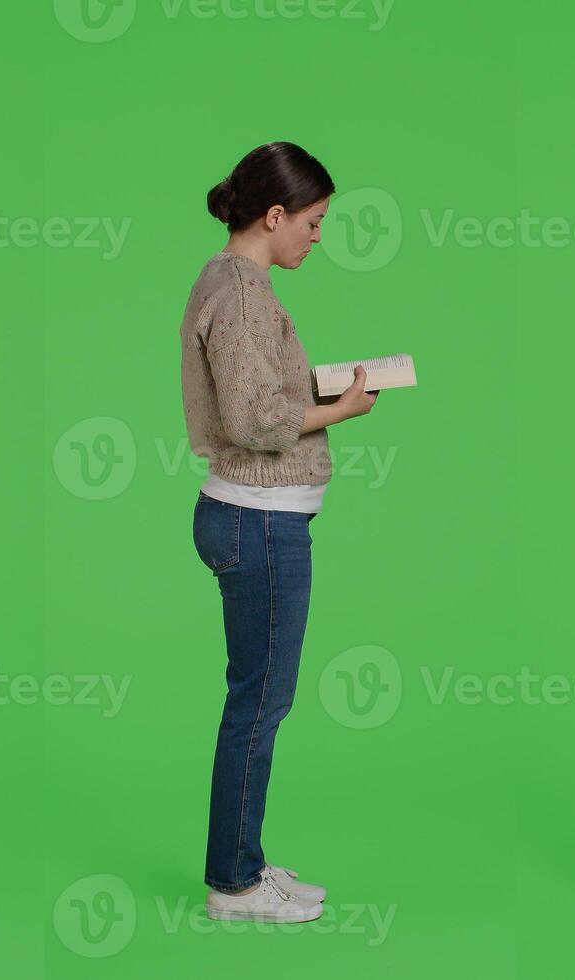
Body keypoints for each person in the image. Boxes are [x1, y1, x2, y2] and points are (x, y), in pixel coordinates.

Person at [179, 141, 379, 923]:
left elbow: (259, 389)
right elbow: (254, 418)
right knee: (258, 704)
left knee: (260, 699)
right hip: (255, 520)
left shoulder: (237, 283)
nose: (318, 237)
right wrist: (341, 411)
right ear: (274, 215)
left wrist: (317, 387)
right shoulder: (239, 290)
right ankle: (233, 884)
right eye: (315, 221)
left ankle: (247, 860)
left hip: (257, 518)